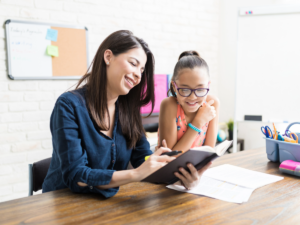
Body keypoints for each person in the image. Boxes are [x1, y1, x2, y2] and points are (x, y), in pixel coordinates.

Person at [42, 31, 210, 197]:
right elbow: (76, 176)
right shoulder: (69, 105)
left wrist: (179, 176)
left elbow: (142, 157)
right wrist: (134, 174)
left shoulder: (128, 110)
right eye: (133, 63)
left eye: (142, 69)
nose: (138, 74)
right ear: (108, 57)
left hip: (108, 205)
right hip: (63, 204)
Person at [158, 51, 219, 154]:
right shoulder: (169, 105)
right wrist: (198, 122)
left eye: (200, 89)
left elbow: (208, 153)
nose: (192, 97)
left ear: (208, 85)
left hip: (198, 169)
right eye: (185, 90)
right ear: (174, 86)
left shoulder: (212, 103)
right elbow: (170, 158)